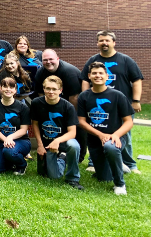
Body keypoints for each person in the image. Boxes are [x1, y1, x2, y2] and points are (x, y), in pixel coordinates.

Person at [80, 30, 143, 174]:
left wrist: (136, 100)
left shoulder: (125, 60)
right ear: (97, 43)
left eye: (107, 40)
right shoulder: (92, 60)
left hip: (121, 105)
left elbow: (137, 80)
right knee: (96, 132)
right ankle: (93, 162)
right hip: (98, 105)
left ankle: (129, 163)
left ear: (114, 42)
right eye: (101, 40)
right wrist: (85, 97)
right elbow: (84, 79)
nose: (104, 43)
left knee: (124, 135)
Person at [78, 62, 134, 195]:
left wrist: (115, 135)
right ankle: (118, 164)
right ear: (89, 76)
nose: (97, 76)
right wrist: (100, 135)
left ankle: (120, 185)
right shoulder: (84, 96)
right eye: (94, 73)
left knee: (110, 146)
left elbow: (128, 121)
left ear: (107, 76)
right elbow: (81, 121)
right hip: (95, 140)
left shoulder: (117, 95)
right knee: (104, 178)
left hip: (116, 138)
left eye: (101, 73)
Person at [31, 76, 83, 190]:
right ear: (43, 89)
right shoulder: (36, 103)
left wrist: (57, 141)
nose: (51, 92)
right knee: (52, 176)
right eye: (48, 88)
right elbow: (35, 124)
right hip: (47, 145)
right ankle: (61, 158)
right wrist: (40, 145)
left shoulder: (67, 107)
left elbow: (72, 133)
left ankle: (73, 178)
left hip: (63, 142)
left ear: (60, 90)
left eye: (54, 89)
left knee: (74, 145)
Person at [34, 49, 85, 162]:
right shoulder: (41, 72)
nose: (48, 62)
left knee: (77, 125)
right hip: (52, 103)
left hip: (73, 104)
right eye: (45, 60)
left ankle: (80, 156)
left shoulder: (69, 71)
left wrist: (70, 116)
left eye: (51, 59)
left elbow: (74, 97)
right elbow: (41, 94)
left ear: (57, 58)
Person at [0, 77, 31, 175]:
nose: (8, 89)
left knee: (10, 152)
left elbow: (24, 130)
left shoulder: (22, 107)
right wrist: (5, 139)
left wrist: (10, 137)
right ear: (0, 88)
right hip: (1, 140)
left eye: (11, 87)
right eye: (5, 86)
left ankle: (22, 165)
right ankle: (10, 161)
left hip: (21, 140)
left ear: (15, 90)